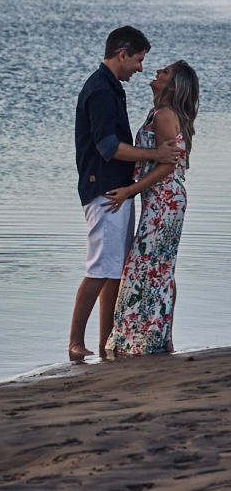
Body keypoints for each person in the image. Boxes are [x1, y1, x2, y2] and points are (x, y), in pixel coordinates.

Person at [69, 26, 179, 361]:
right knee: (100, 268)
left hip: (117, 191)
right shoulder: (101, 90)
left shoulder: (110, 87)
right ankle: (75, 343)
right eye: (138, 60)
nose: (141, 68)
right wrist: (155, 154)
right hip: (105, 190)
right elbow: (108, 147)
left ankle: (107, 341)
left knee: (114, 268)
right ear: (122, 55)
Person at [104, 61, 200, 356]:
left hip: (164, 199)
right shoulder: (159, 112)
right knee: (157, 266)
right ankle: (154, 338)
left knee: (148, 265)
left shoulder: (163, 115)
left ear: (173, 86)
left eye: (165, 72)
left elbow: (168, 165)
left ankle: (144, 339)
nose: (157, 71)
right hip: (162, 198)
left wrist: (129, 190)